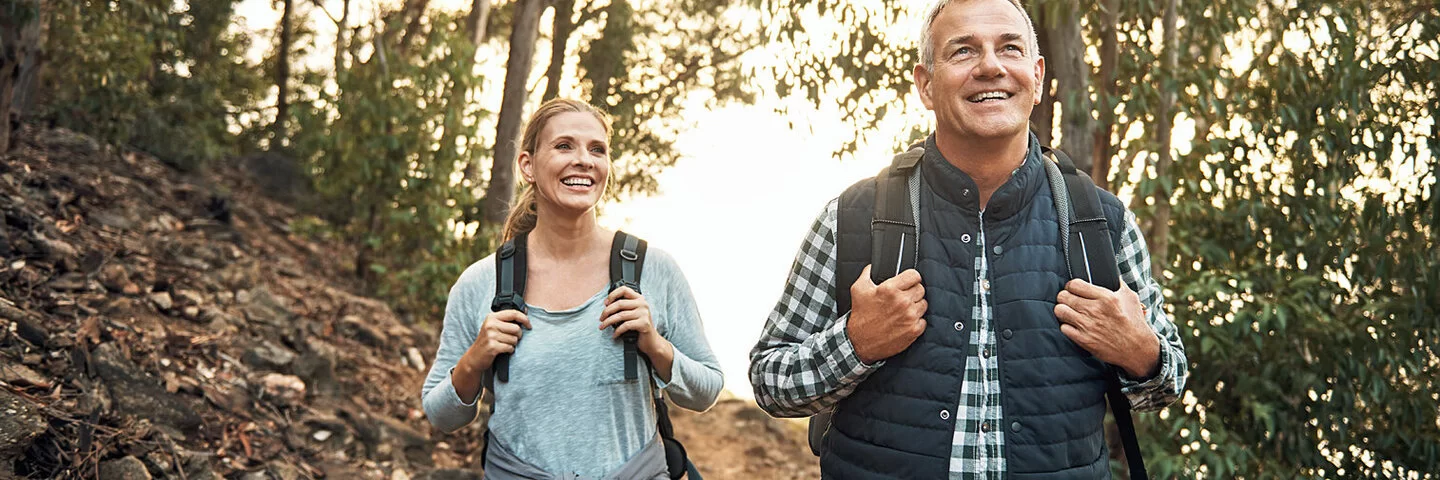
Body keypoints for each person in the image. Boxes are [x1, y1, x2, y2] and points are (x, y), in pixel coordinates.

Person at [748, 0, 1188, 478]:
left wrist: (1141, 352)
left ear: (1036, 77)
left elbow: (1167, 380)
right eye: (963, 51)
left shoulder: (1099, 222)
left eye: (1010, 49)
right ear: (926, 85)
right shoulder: (855, 216)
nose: (991, 67)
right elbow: (772, 381)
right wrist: (857, 343)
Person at [422, 98, 722, 479]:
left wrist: (655, 345)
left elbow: (706, 390)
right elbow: (440, 415)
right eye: (564, 146)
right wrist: (473, 360)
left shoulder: (653, 269)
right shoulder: (482, 283)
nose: (584, 160)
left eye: (597, 149)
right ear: (527, 165)